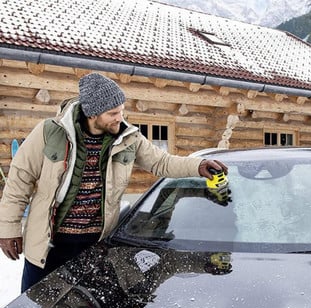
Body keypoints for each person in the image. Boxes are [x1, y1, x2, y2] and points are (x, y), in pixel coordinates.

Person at [0, 72, 228, 292]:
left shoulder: (127, 137)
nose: (120, 117)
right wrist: (8, 229)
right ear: (92, 114)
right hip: (49, 246)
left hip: (94, 248)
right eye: (112, 113)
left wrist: (197, 166)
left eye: (121, 110)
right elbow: (19, 182)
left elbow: (161, 162)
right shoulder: (50, 133)